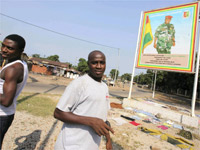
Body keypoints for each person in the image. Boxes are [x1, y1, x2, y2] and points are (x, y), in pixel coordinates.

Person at [54, 50, 114, 150]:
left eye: (102, 63)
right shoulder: (79, 84)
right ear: (88, 64)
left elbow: (102, 117)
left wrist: (108, 140)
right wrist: (91, 121)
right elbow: (58, 113)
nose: (98, 66)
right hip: (71, 145)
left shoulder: (104, 87)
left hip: (91, 145)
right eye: (94, 63)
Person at [0, 34, 28, 149]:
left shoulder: (13, 69)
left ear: (20, 51)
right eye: (3, 45)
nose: (4, 50)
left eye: (10, 48)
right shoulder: (19, 63)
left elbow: (7, 100)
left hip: (2, 114)